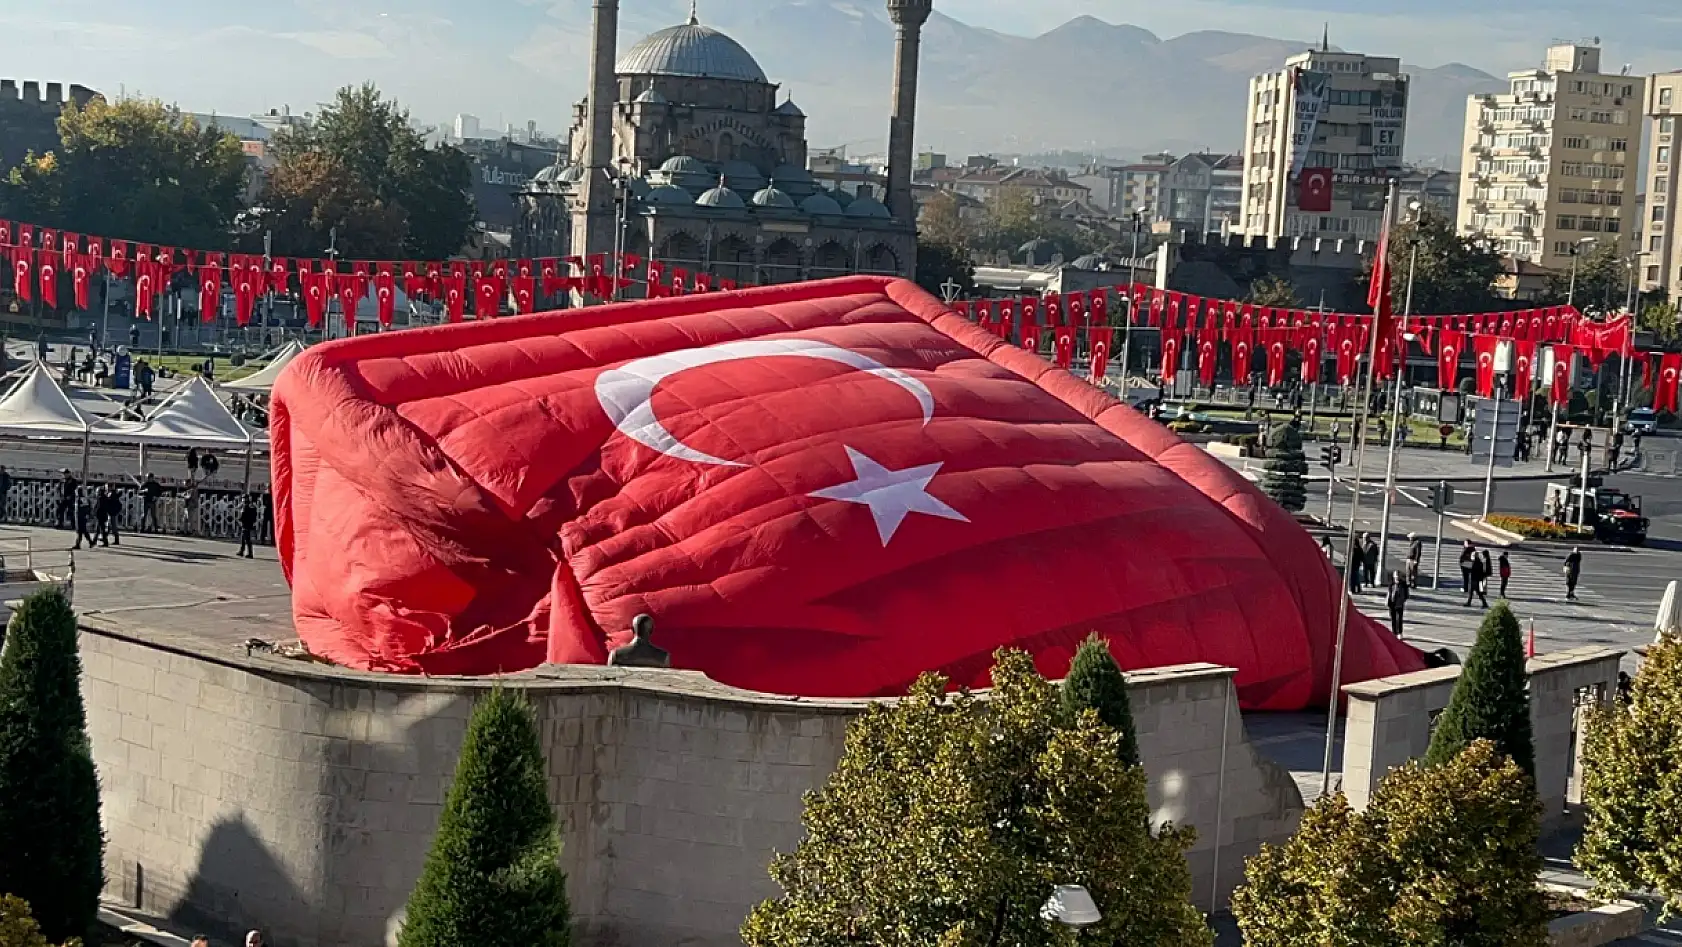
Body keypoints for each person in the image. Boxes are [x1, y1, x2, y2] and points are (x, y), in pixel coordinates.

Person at [1387, 570, 1410, 639]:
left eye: (1397, 576)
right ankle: (1394, 632)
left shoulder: (1403, 584)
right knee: (1393, 618)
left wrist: (1402, 601)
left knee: (1399, 619)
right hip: (1392, 603)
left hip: (1399, 604)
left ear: (1400, 576)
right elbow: (1389, 592)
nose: (1396, 577)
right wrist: (1388, 600)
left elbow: (1406, 595)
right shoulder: (1391, 584)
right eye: (1395, 575)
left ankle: (1400, 632)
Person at [237, 494, 259, 558]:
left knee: (247, 539)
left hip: (246, 523)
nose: (243, 499)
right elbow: (255, 514)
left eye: (243, 498)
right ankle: (241, 551)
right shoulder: (251, 505)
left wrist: (240, 519)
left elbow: (243, 514)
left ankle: (250, 553)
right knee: (243, 538)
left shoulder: (246, 506)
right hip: (249, 523)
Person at [1459, 540, 1479, 607]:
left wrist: (1463, 564)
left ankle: (1469, 602)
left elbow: (1462, 558)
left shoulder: (1468, 550)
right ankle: (1470, 602)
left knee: (1473, 589)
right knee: (1475, 591)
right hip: (1473, 577)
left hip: (1473, 577)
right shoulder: (1473, 552)